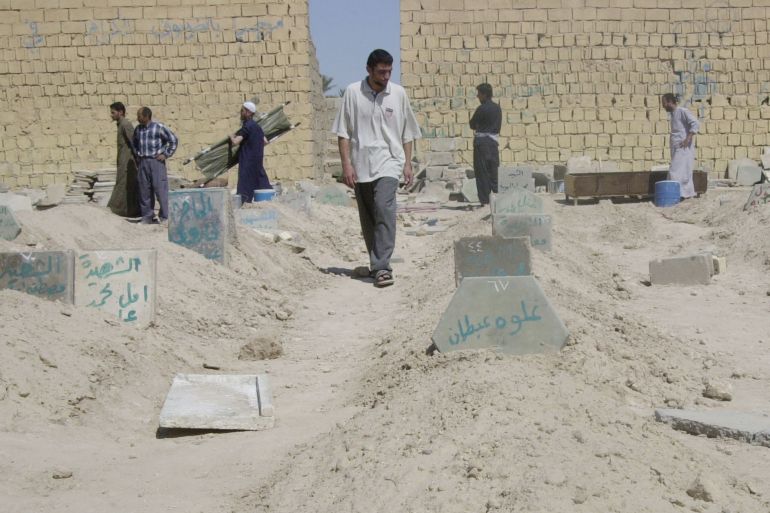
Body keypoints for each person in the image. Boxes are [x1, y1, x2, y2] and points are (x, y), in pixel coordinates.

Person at [332, 48, 421, 288]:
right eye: (381, 71)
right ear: (369, 70)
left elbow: (408, 133)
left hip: (390, 162)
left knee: (384, 207)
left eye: (389, 71)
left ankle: (383, 266)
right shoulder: (352, 93)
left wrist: (407, 163)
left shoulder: (398, 94)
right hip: (361, 164)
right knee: (369, 217)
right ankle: (375, 264)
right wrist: (346, 165)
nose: (386, 76)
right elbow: (343, 133)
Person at [133, 107, 178, 224]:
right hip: (143, 162)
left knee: (160, 189)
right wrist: (138, 155)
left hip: (156, 162)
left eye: (139, 116)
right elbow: (135, 143)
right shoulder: (138, 129)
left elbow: (173, 140)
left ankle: (165, 216)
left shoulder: (159, 128)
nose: (137, 118)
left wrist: (166, 154)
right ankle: (147, 216)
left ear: (146, 116)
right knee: (144, 190)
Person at [230, 101, 271, 203]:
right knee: (261, 183)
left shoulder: (247, 127)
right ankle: (269, 200)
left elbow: (235, 142)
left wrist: (230, 136)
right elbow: (265, 141)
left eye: (242, 110)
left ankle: (245, 204)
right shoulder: (257, 127)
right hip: (257, 162)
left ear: (248, 112)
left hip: (247, 162)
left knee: (245, 187)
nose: (241, 112)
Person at [661, 93, 699, 199]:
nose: (663, 106)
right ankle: (683, 194)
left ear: (669, 102)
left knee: (675, 172)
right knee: (680, 172)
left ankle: (677, 195)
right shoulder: (674, 114)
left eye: (663, 103)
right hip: (677, 148)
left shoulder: (682, 111)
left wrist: (688, 138)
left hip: (683, 148)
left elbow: (695, 123)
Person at [469, 83, 502, 205]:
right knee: (493, 171)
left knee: (482, 172)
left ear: (484, 94)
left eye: (479, 94)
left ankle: (485, 201)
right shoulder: (497, 108)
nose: (478, 96)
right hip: (493, 143)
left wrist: (479, 126)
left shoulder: (481, 109)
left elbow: (472, 124)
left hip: (481, 144)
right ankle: (497, 199)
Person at [107, 102, 140, 217]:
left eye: (113, 112)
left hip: (127, 162)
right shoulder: (120, 124)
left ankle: (115, 210)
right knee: (126, 186)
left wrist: (137, 160)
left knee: (123, 185)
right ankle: (129, 211)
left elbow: (134, 143)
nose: (111, 115)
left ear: (120, 112)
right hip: (123, 161)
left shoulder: (125, 124)